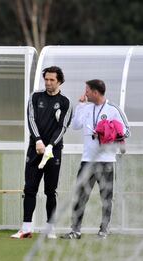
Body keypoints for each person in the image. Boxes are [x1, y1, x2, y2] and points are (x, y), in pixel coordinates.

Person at [61, 79, 130, 240]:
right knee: (80, 195)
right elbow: (76, 125)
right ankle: (75, 230)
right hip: (87, 160)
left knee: (106, 197)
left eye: (87, 90)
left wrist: (109, 132)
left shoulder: (113, 109)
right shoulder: (86, 108)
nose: (85, 93)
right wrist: (79, 106)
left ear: (95, 92)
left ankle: (104, 230)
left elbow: (126, 131)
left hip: (107, 160)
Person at [11, 66, 72, 239]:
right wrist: (38, 140)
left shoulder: (66, 102)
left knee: (50, 191)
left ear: (59, 81)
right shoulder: (35, 97)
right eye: (46, 79)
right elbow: (31, 119)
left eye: (52, 80)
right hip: (35, 149)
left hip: (54, 152)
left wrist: (51, 146)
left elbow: (63, 127)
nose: (48, 82)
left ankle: (50, 228)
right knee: (30, 188)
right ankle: (26, 228)